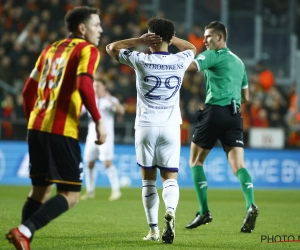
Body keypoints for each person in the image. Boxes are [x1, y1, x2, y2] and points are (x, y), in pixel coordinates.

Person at [6, 6, 107, 250]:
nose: (101, 30)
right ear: (83, 29)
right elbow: (84, 85)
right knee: (70, 195)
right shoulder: (88, 50)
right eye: (96, 25)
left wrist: (36, 119)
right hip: (61, 130)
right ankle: (23, 231)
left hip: (36, 127)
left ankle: (23, 238)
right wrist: (98, 119)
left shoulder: (49, 49)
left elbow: (27, 91)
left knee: (40, 191)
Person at [106, 17, 196, 244]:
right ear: (170, 37)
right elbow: (193, 48)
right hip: (171, 127)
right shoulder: (180, 60)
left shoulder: (140, 59)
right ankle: (171, 210)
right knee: (170, 178)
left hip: (145, 126)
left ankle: (154, 230)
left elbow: (111, 48)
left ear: (150, 37)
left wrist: (138, 40)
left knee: (148, 181)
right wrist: (173, 40)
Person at [184, 21, 259, 233]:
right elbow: (246, 97)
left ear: (220, 37)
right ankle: (250, 204)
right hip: (235, 115)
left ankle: (204, 211)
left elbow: (190, 67)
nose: (205, 40)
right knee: (239, 166)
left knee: (196, 161)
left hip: (214, 112)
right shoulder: (240, 63)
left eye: (208, 36)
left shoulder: (212, 55)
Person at [80, 78, 125, 201]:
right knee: (89, 163)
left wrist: (111, 100)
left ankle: (116, 191)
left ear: (104, 86)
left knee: (107, 162)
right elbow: (78, 113)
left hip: (106, 136)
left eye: (98, 85)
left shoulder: (110, 100)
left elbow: (121, 111)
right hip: (91, 136)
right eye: (93, 86)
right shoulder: (90, 100)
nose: (95, 88)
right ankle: (90, 191)